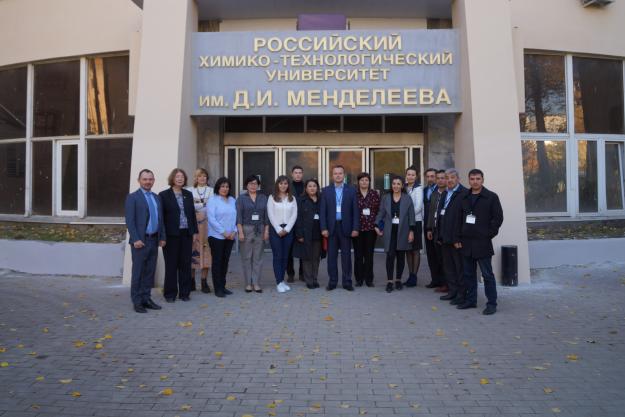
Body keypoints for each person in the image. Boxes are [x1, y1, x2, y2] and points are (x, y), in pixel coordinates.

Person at [458, 169, 504, 315]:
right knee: (468, 274)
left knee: (487, 275)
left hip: (482, 242)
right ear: (469, 180)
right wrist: (458, 237)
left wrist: (488, 234)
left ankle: (491, 303)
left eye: (478, 178)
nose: (475, 181)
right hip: (466, 242)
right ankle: (471, 300)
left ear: (483, 180)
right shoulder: (464, 197)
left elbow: (498, 218)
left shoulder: (491, 197)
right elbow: (458, 219)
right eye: (472, 179)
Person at [124, 169, 165, 313]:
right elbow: (130, 221)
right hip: (140, 242)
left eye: (150, 179)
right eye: (145, 179)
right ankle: (137, 302)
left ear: (153, 180)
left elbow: (161, 220)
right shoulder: (132, 197)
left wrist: (162, 237)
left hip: (153, 240)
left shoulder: (156, 197)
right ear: (139, 180)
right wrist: (135, 238)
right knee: (138, 273)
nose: (148, 182)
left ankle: (146, 298)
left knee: (149, 272)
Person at [159, 168, 199, 303]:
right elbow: (161, 218)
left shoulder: (188, 194)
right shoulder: (164, 195)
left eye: (182, 177)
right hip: (171, 236)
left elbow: (192, 215)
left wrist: (194, 232)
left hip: (186, 234)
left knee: (185, 264)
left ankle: (184, 293)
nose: (180, 179)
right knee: (171, 265)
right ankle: (170, 294)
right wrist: (162, 236)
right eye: (177, 177)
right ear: (172, 179)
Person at [320, 165, 359, 291]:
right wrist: (323, 228)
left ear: (344, 175)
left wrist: (355, 228)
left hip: (346, 227)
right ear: (332, 175)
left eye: (340, 173)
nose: (338, 175)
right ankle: (332, 281)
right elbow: (323, 212)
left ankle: (347, 282)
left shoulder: (351, 190)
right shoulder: (325, 190)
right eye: (335, 173)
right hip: (331, 228)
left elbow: (355, 211)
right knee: (331, 257)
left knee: (346, 256)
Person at [375, 175, 415, 292]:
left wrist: (411, 232)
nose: (396, 186)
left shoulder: (407, 198)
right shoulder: (386, 197)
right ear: (391, 185)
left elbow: (411, 216)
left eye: (398, 184)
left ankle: (398, 280)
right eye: (394, 184)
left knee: (401, 257)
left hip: (403, 230)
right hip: (389, 231)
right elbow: (381, 212)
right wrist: (376, 225)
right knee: (390, 256)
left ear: (402, 185)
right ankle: (389, 281)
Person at [435, 168, 468, 306]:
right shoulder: (444, 194)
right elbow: (440, 216)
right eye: (447, 177)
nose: (449, 180)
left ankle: (461, 294)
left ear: (458, 179)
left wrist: (458, 238)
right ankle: (453, 291)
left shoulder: (464, 193)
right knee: (449, 267)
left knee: (459, 268)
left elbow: (464, 219)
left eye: (452, 177)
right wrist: (439, 235)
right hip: (444, 237)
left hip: (456, 240)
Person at [236, 175, 269, 293]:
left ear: (258, 185)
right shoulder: (241, 198)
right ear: (246, 185)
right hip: (246, 229)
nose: (253, 186)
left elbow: (266, 216)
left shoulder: (263, 198)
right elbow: (238, 217)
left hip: (260, 229)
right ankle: (248, 283)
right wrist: (240, 232)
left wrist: (266, 230)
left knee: (258, 257)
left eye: (255, 183)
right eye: (250, 183)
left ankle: (256, 283)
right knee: (246, 257)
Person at [207, 177, 237, 298]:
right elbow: (211, 219)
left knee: (225, 262)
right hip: (216, 236)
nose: (225, 189)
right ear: (218, 187)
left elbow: (236, 217)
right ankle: (217, 288)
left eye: (227, 186)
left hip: (230, 237)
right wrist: (223, 232)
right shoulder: (213, 200)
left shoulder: (232, 200)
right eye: (222, 186)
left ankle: (223, 286)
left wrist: (234, 231)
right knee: (217, 262)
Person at [267, 175, 298, 293]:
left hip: (288, 230)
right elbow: (271, 214)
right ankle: (278, 281)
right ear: (277, 185)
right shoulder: (272, 198)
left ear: (288, 185)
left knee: (286, 256)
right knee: (277, 256)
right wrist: (278, 229)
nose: (283, 186)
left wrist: (287, 229)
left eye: (285, 183)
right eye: (281, 183)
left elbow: (294, 215)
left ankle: (282, 280)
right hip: (276, 231)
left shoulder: (292, 198)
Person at [293, 178, 325, 289]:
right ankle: (309, 280)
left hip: (319, 233)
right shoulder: (301, 200)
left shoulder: (322, 200)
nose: (312, 188)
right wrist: (299, 234)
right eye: (310, 186)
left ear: (317, 188)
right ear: (306, 188)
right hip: (306, 233)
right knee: (307, 257)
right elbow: (297, 218)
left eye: (314, 186)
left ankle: (315, 279)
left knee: (316, 257)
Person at [187, 168, 214, 294]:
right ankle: (191, 280)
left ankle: (204, 281)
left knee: (207, 252)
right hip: (193, 226)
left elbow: (213, 208)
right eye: (199, 176)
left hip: (208, 226)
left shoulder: (212, 191)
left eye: (204, 176)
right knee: (193, 252)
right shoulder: (189, 191)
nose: (202, 178)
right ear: (196, 178)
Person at [352, 172, 380, 287]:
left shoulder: (374, 194)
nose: (364, 182)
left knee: (369, 255)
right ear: (358, 182)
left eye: (366, 180)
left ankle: (369, 279)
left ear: (369, 182)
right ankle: (359, 279)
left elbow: (378, 211)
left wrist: (378, 225)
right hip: (357, 228)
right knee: (358, 255)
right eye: (362, 180)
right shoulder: (354, 194)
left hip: (370, 229)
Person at [425, 169, 446, 291]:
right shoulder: (434, 194)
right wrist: (429, 229)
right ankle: (436, 280)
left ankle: (445, 283)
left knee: (444, 258)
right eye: (438, 178)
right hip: (433, 229)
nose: (440, 180)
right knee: (433, 256)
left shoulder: (448, 194)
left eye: (442, 178)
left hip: (443, 230)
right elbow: (431, 213)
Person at [403, 166, 424, 287]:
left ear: (416, 176)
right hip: (405, 223)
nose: (410, 176)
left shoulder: (419, 188)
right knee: (408, 249)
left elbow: (418, 207)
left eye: (413, 175)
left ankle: (414, 276)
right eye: (408, 174)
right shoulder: (404, 188)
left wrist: (406, 215)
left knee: (415, 250)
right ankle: (410, 274)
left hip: (415, 222)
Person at [286, 165, 305, 283]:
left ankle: (303, 273)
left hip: (303, 222)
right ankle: (290, 274)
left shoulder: (307, 186)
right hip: (289, 222)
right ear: (292, 174)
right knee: (289, 250)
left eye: (300, 172)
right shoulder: (287, 187)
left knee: (303, 248)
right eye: (296, 173)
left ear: (302, 174)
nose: (298, 174)